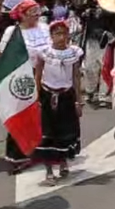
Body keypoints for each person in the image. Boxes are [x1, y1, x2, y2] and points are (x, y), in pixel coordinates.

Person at [0, 0, 52, 173]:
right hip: (22, 80)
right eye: (32, 12)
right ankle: (18, 156)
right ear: (21, 15)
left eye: (38, 11)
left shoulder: (45, 28)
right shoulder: (12, 32)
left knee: (44, 117)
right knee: (22, 117)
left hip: (47, 77)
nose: (37, 15)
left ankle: (41, 151)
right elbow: (3, 56)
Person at [34, 20, 83, 185]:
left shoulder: (74, 53)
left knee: (66, 131)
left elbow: (76, 77)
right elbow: (38, 75)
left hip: (66, 96)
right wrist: (36, 99)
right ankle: (48, 170)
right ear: (51, 36)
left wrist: (79, 101)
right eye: (57, 34)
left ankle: (63, 162)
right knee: (47, 133)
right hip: (47, 96)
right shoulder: (44, 52)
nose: (61, 37)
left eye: (64, 33)